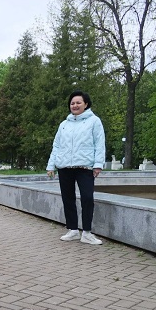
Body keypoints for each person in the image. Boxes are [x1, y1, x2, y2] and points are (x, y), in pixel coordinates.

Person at [46, 90, 106, 245]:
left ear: (86, 104)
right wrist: (51, 165)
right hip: (65, 166)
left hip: (84, 167)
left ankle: (87, 233)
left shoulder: (94, 121)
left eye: (78, 102)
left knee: (87, 198)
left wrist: (98, 165)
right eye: (72, 103)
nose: (75, 105)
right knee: (68, 199)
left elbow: (99, 143)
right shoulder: (64, 124)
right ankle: (72, 230)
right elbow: (56, 146)